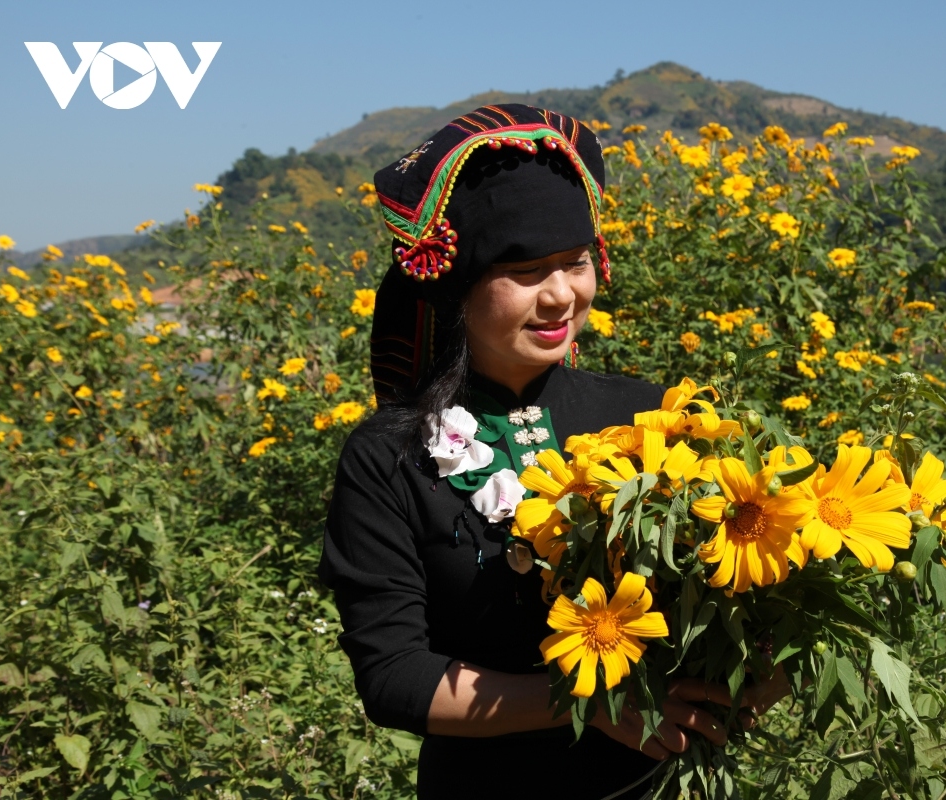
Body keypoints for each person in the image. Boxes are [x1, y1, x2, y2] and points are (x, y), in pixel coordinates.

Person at [318, 104, 790, 800]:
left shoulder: (655, 416)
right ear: (457, 286)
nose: (561, 295)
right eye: (527, 271)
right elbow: (393, 677)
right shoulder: (389, 457)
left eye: (574, 263)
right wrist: (589, 706)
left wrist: (761, 666)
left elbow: (751, 595)